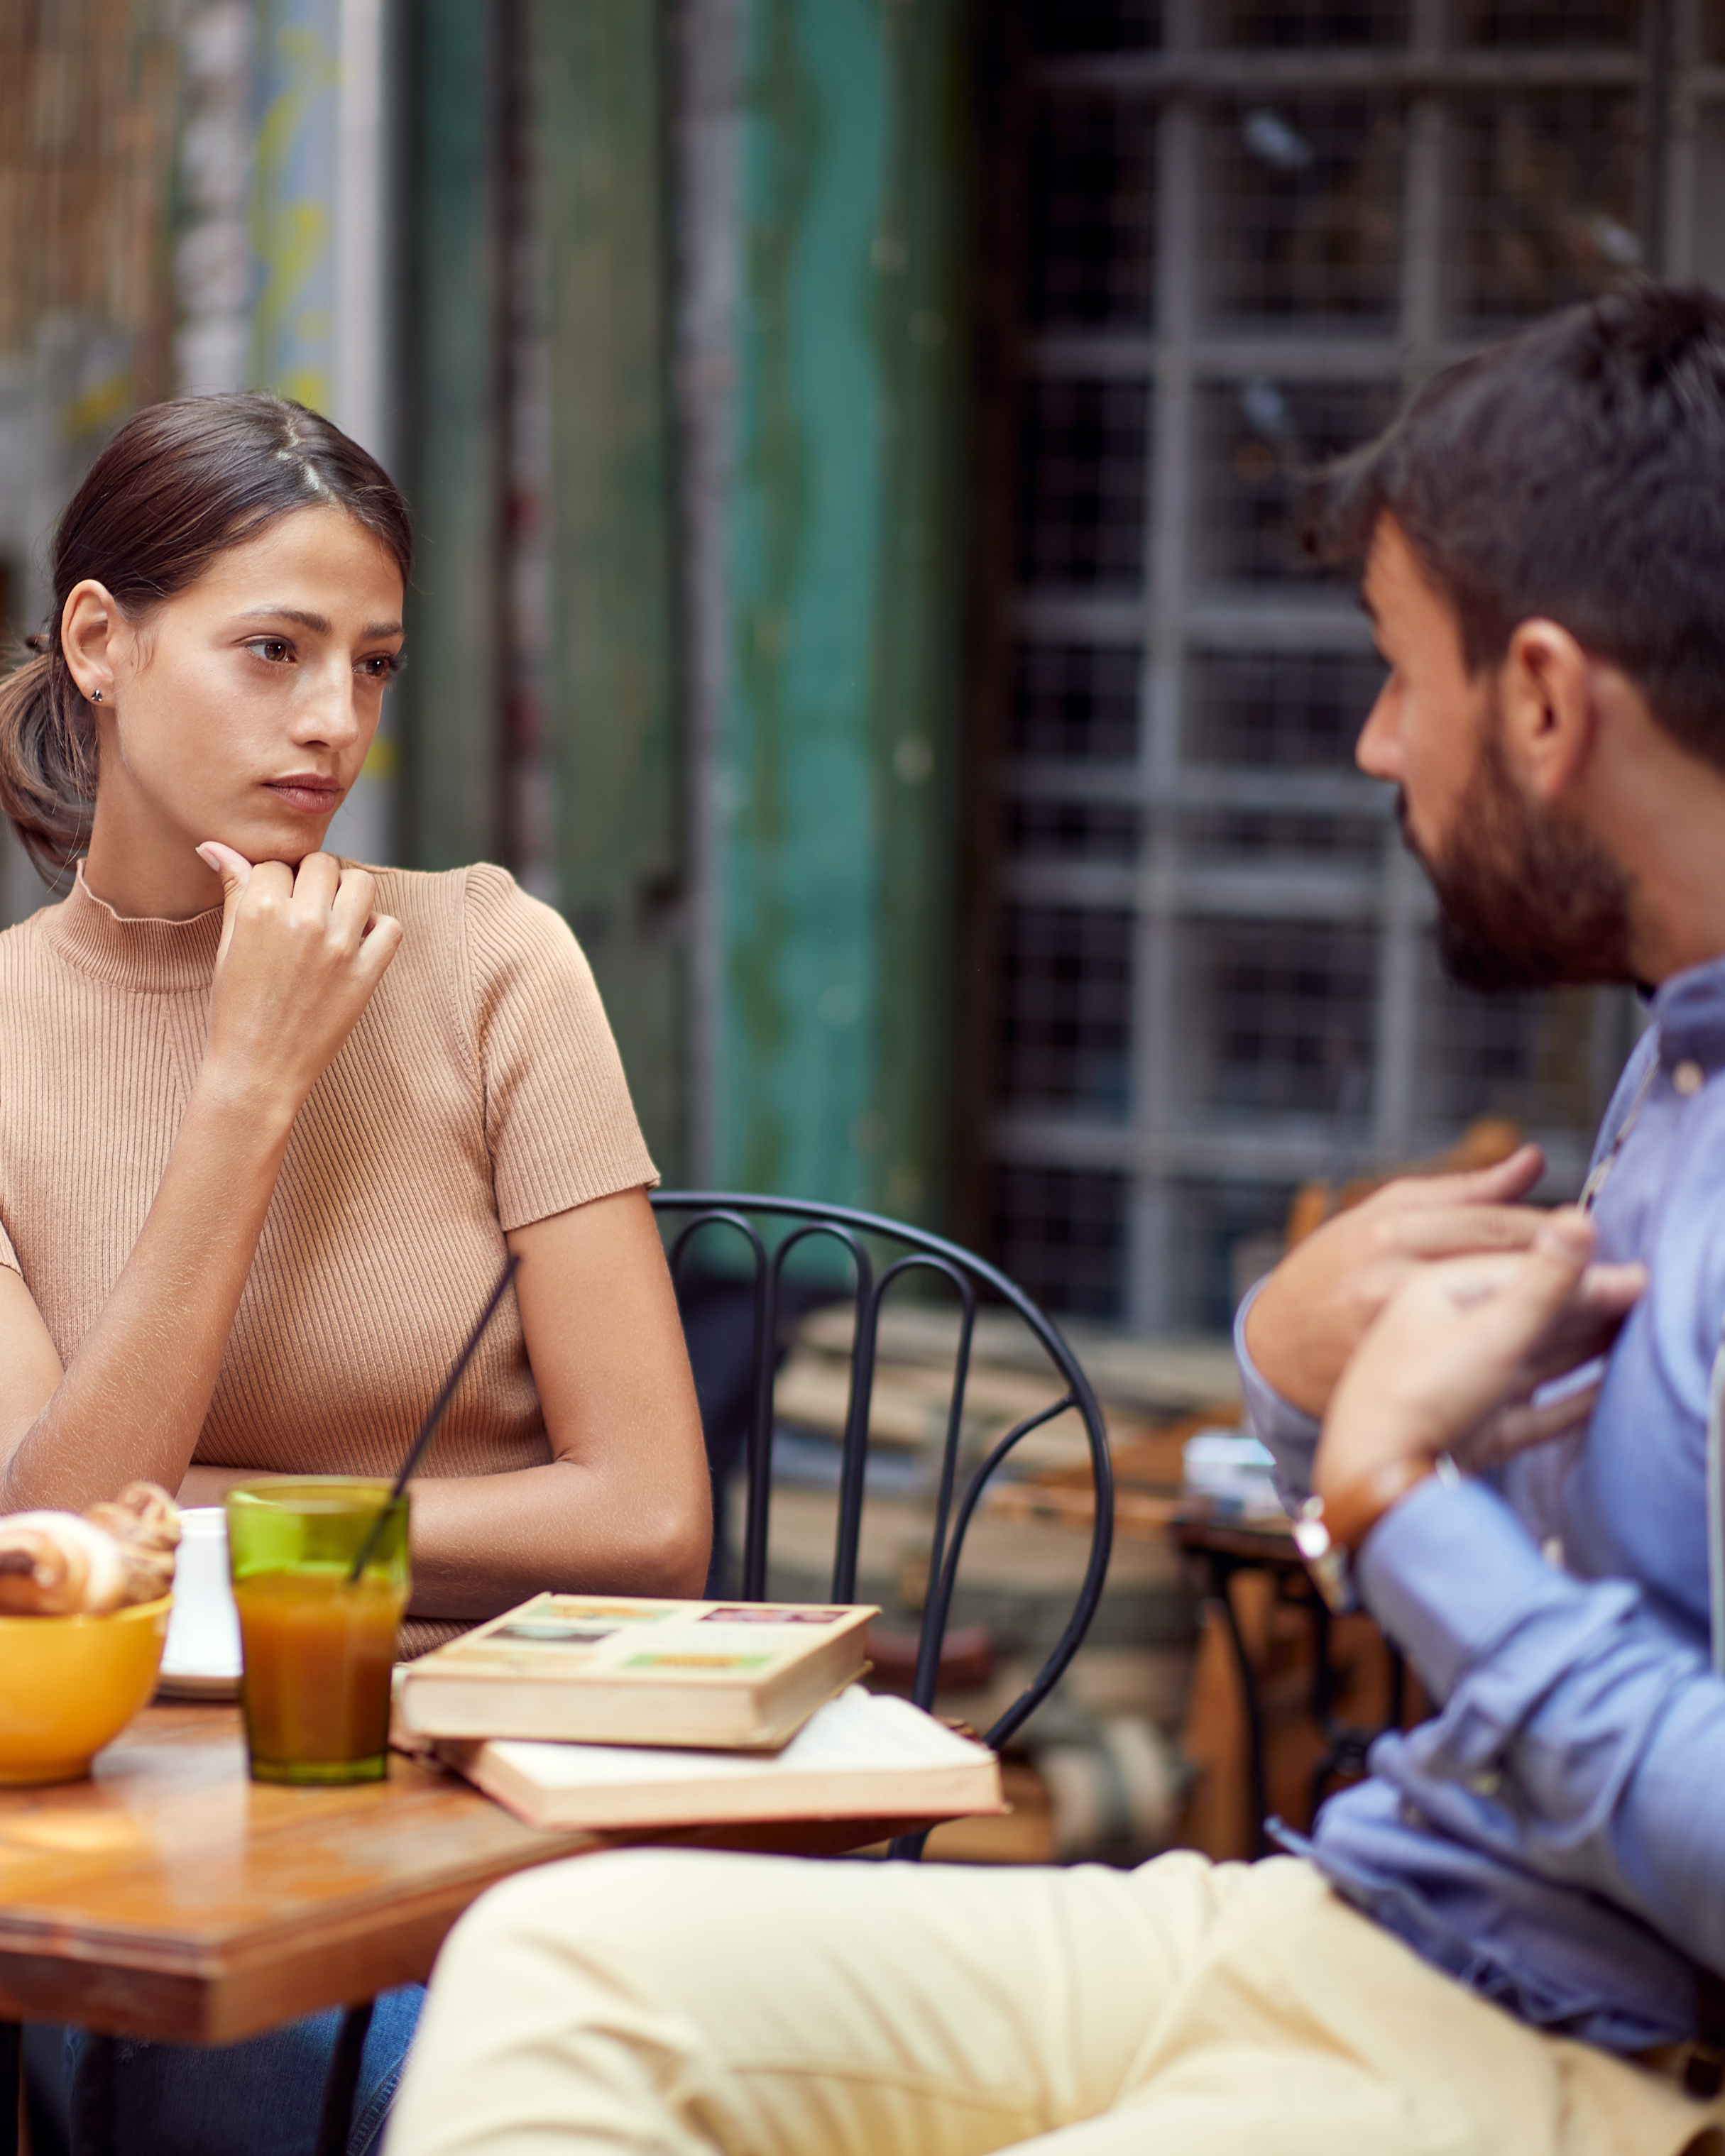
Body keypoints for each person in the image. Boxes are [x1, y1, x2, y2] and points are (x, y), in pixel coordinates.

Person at [382, 282, 1725, 2156]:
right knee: (559, 1958)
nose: (1368, 745)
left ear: (1542, 698)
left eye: (1394, 671)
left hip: (1598, 2059)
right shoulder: (1673, 1058)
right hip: (1358, 1918)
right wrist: (1290, 1366)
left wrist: (1401, 1505)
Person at [0, 394, 711, 2153]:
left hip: (509, 1811)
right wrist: (245, 1091)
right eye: (274, 650)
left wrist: (235, 1515)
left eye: (374, 666)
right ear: (101, 639)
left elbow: (646, 1515)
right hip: (158, 1855)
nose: (334, 723)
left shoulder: (488, 960)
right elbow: (48, 1558)